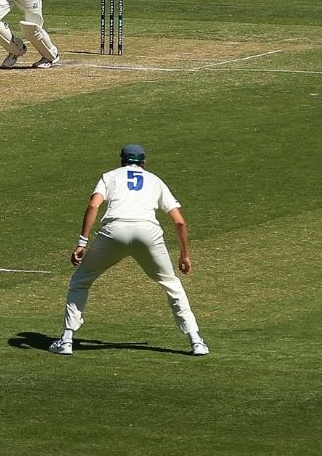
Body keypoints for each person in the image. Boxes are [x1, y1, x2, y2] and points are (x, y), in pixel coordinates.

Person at [48, 144, 209, 357]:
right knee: (172, 284)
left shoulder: (109, 176)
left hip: (114, 231)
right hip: (148, 233)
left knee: (80, 281)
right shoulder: (155, 180)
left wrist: (82, 242)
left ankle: (67, 339)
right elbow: (179, 222)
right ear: (144, 162)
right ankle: (196, 341)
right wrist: (184, 254)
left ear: (122, 161)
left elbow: (94, 205)